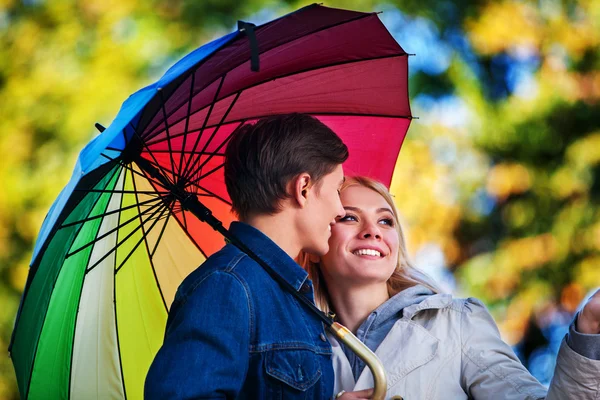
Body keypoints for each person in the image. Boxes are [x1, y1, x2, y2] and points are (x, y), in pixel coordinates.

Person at [302, 176, 600, 400]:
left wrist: (588, 330)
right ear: (317, 241)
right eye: (349, 217)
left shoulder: (456, 325)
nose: (373, 231)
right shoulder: (289, 340)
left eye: (386, 220)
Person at [145, 113, 348, 399]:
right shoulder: (226, 287)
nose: (340, 210)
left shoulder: (286, 290)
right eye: (337, 189)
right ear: (302, 188)